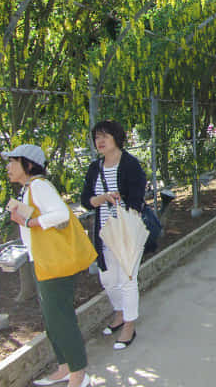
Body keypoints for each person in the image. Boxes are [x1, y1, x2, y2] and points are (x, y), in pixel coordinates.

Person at [3, 144, 94, 387]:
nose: (8, 167)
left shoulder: (39, 186)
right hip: (43, 261)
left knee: (61, 319)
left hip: (54, 263)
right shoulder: (30, 189)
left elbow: (61, 214)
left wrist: (30, 221)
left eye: (13, 161)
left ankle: (79, 375)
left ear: (29, 164)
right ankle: (65, 368)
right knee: (52, 320)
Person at [81, 120, 146, 350]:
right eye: (97, 137)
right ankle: (119, 315)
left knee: (126, 279)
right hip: (103, 233)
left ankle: (129, 325)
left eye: (105, 136)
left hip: (126, 231)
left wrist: (121, 201)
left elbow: (138, 200)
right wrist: (100, 199)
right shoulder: (94, 168)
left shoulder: (130, 165)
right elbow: (85, 199)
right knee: (108, 279)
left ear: (117, 138)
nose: (100, 141)